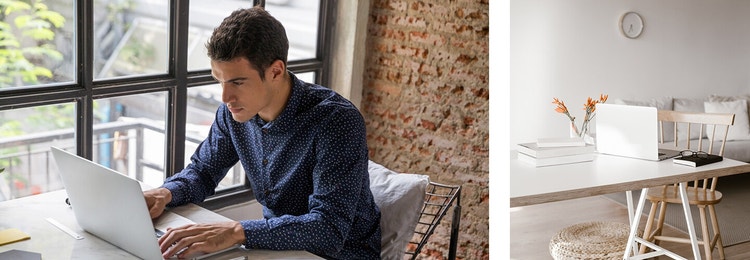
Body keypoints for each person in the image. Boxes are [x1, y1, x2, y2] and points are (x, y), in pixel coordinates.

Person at [143, 6, 381, 259]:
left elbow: (328, 230)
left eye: (237, 82)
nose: (225, 97)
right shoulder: (234, 112)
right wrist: (166, 193)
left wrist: (237, 230)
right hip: (274, 250)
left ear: (276, 71)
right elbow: (203, 171)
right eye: (219, 80)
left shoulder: (336, 121)